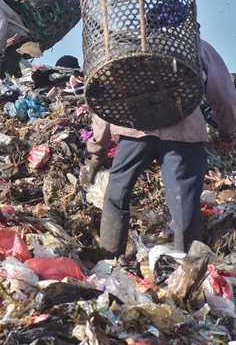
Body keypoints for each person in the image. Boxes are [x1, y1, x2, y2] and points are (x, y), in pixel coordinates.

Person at [80, 39, 236, 257]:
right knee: (184, 204)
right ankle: (186, 265)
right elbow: (224, 95)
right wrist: (228, 132)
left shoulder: (126, 47)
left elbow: (105, 104)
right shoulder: (192, 44)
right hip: (183, 131)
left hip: (134, 130)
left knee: (116, 194)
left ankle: (109, 259)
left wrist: (96, 152)